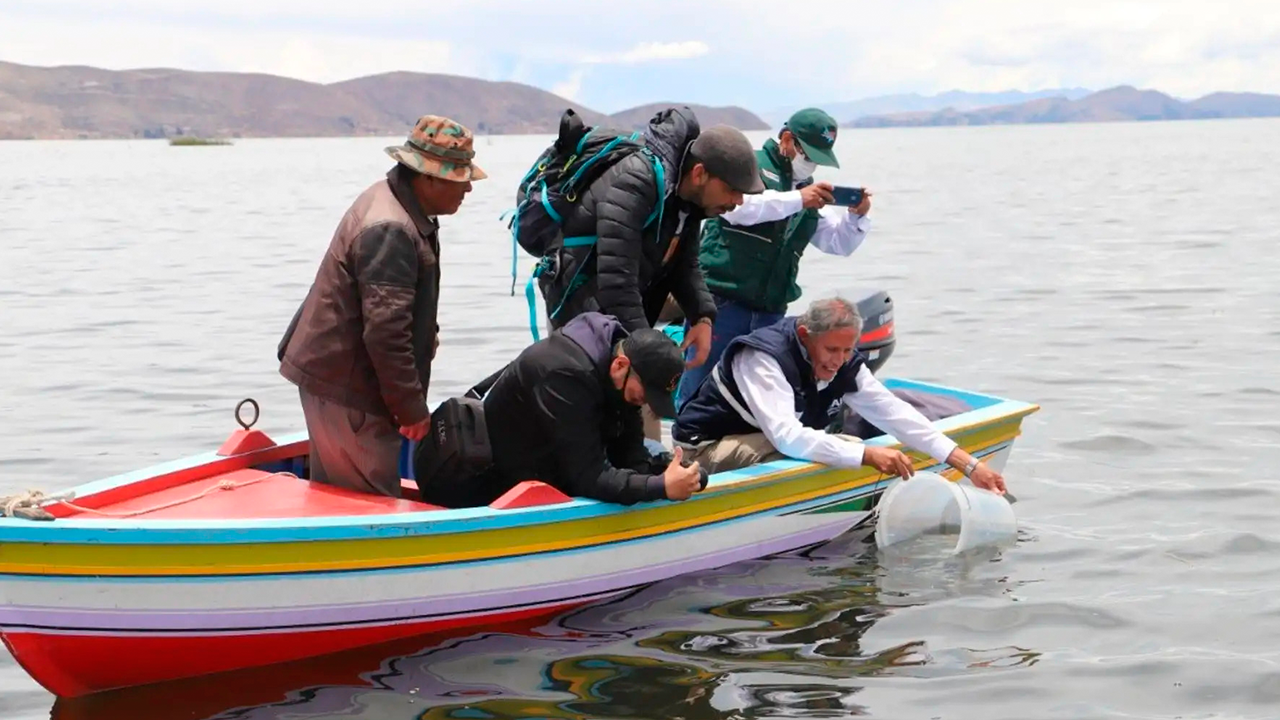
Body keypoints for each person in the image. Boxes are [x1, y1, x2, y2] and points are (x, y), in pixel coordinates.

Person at [276, 115, 485, 497]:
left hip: (342, 380)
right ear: (428, 177)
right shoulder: (391, 228)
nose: (468, 187)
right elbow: (386, 334)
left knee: (344, 496)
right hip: (348, 390)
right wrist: (411, 409)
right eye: (460, 177)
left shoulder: (397, 204)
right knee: (364, 502)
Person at [672, 297, 1007, 493]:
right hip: (701, 450)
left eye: (848, 350)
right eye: (831, 349)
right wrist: (867, 456)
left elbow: (894, 413)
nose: (839, 360)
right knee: (846, 449)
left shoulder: (842, 362)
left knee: (846, 448)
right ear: (805, 335)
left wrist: (970, 465)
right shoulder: (763, 359)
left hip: (755, 439)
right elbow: (787, 437)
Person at [536, 107, 766, 385]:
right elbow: (616, 280)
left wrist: (702, 316)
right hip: (579, 315)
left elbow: (685, 265)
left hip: (617, 315)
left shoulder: (687, 199)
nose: (738, 202)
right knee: (588, 401)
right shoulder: (636, 180)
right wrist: (647, 352)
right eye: (733, 190)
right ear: (699, 173)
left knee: (637, 399)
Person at [675, 108, 873, 409]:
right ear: (787, 140)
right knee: (700, 385)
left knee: (755, 393)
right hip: (721, 304)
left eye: (819, 160)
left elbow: (838, 242)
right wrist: (799, 199)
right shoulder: (748, 164)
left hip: (770, 312)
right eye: (809, 155)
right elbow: (740, 208)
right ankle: (686, 432)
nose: (812, 165)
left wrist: (856, 217)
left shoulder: (807, 192)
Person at [413, 312, 705, 508]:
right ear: (620, 365)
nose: (643, 403)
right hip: (487, 484)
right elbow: (588, 478)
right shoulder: (564, 377)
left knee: (654, 452)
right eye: (643, 394)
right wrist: (660, 488)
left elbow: (629, 455)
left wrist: (675, 474)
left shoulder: (619, 367)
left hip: (551, 459)